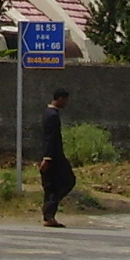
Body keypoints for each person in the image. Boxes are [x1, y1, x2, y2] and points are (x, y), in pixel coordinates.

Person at [38, 87, 75, 227]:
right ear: (60, 99)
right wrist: (47, 157)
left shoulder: (48, 113)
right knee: (68, 181)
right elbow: (50, 137)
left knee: (51, 186)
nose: (66, 103)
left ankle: (49, 216)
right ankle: (49, 211)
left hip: (51, 155)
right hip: (54, 157)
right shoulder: (52, 115)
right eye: (65, 100)